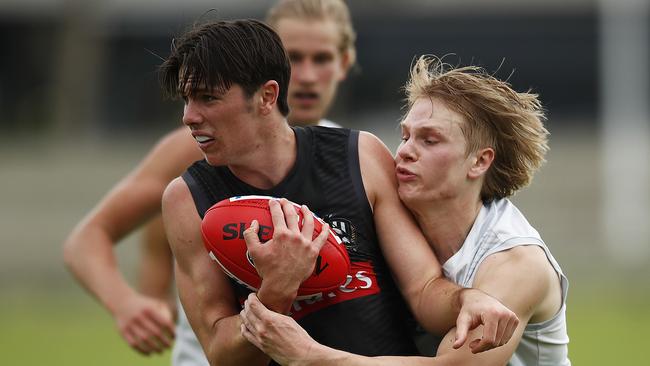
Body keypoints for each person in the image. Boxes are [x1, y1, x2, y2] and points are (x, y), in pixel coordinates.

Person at [160, 19, 518, 366]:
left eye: (208, 98)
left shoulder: (359, 156)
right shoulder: (188, 199)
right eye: (187, 99)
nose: (189, 116)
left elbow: (423, 290)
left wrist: (466, 300)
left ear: (267, 96)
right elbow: (222, 354)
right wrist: (278, 287)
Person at [62, 0, 355, 363]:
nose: (308, 75)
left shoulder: (354, 157)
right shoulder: (195, 151)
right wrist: (128, 303)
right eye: (294, 56)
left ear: (343, 64)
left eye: (322, 58)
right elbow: (89, 239)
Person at [238, 56, 571, 366]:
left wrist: (308, 356)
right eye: (406, 135)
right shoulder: (392, 218)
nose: (406, 151)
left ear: (480, 161)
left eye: (429, 140)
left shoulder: (515, 263)